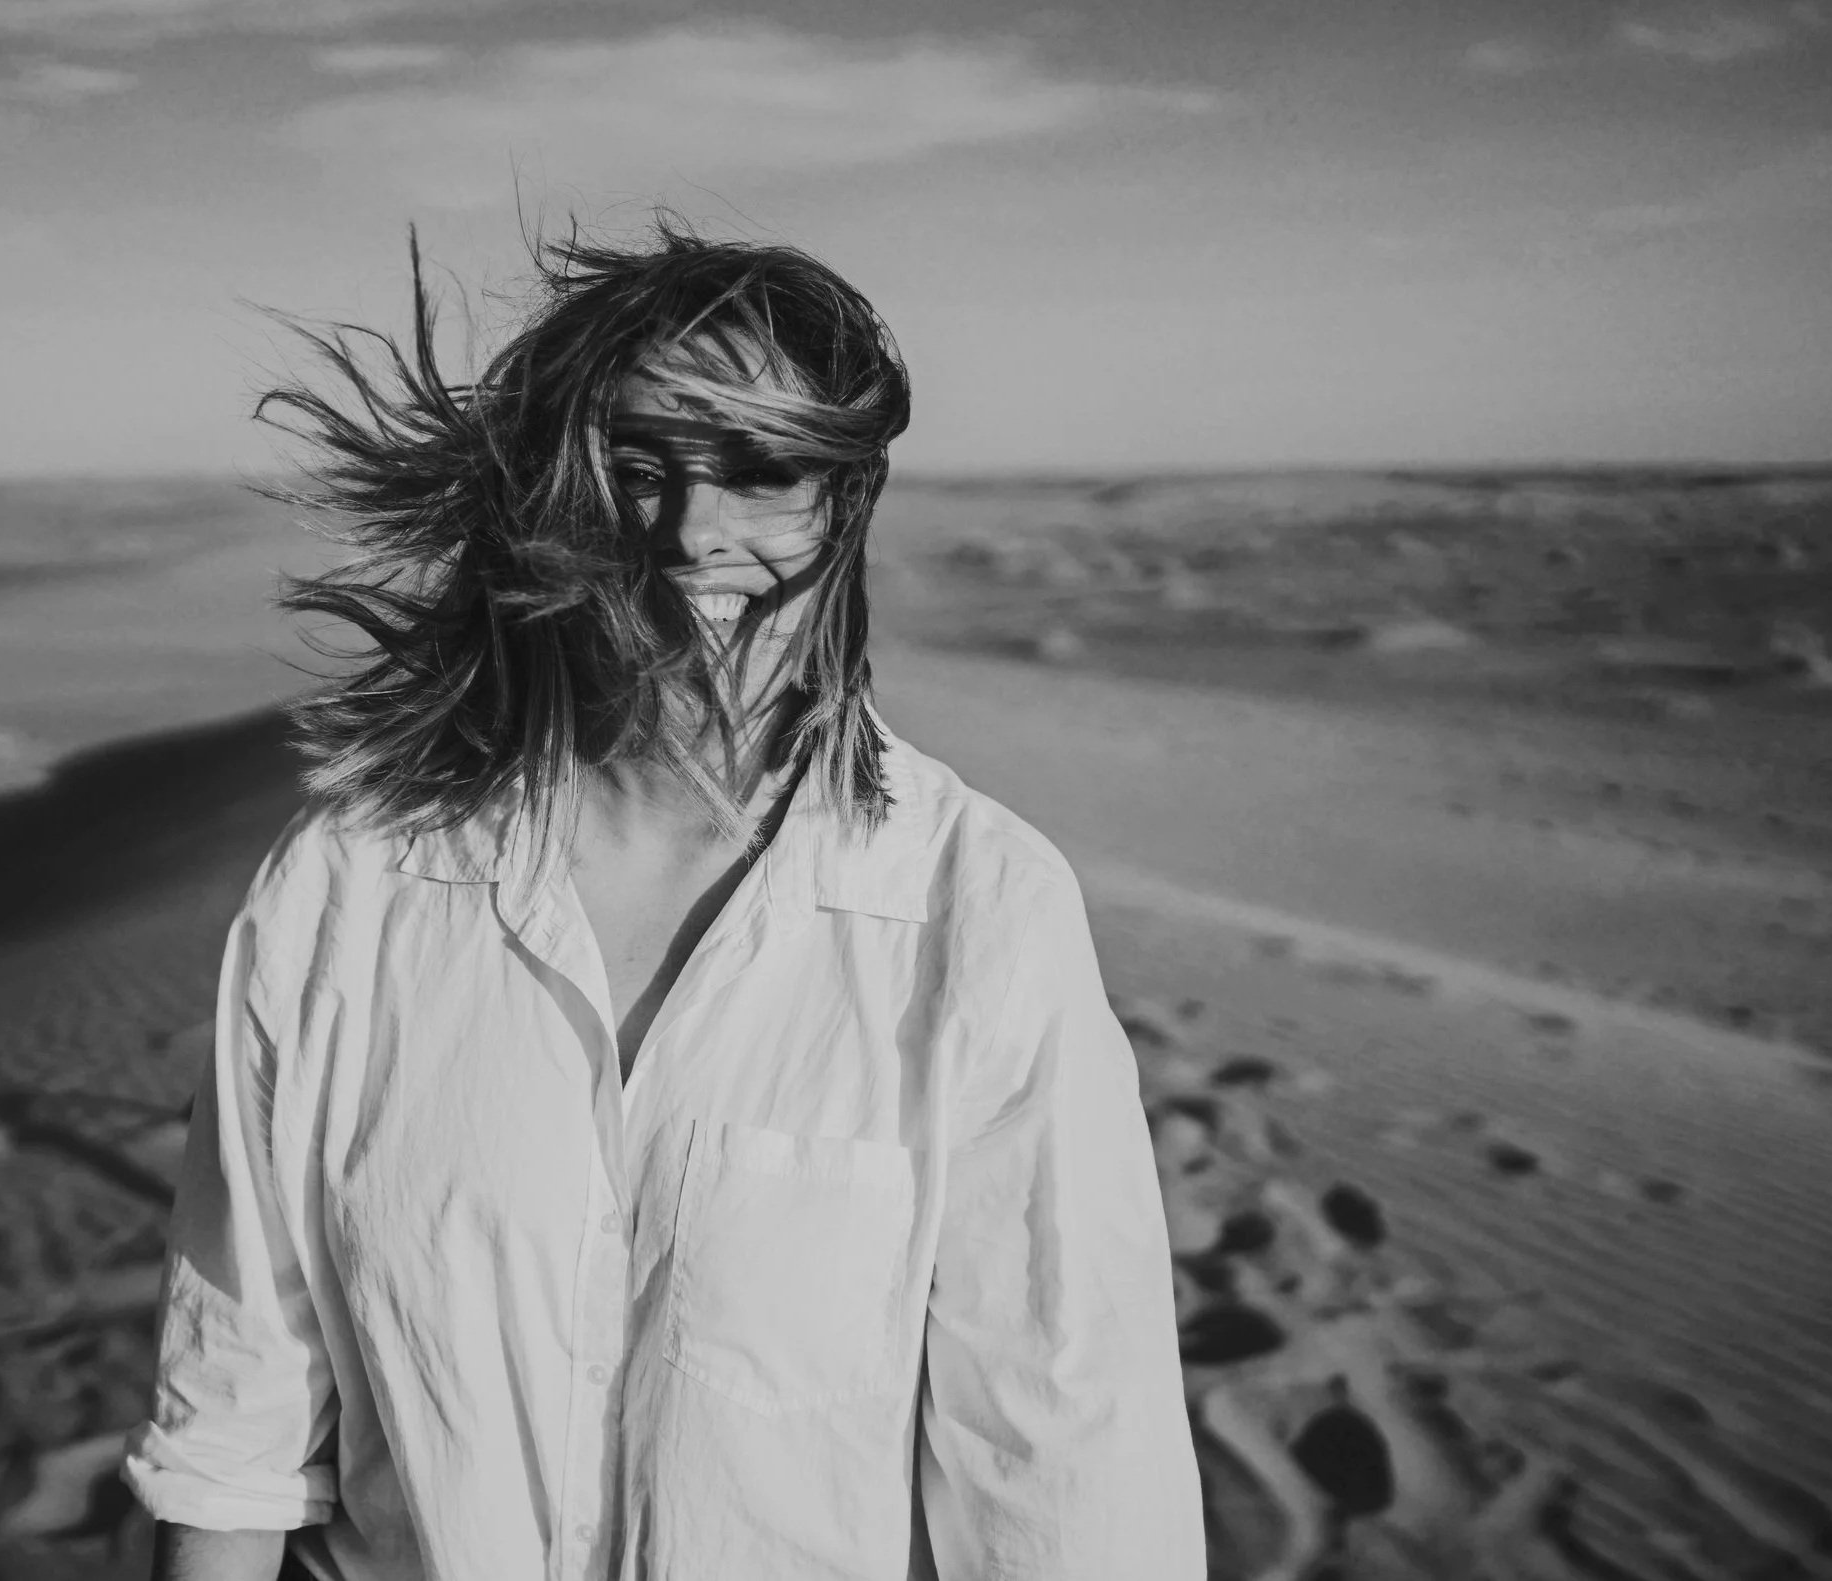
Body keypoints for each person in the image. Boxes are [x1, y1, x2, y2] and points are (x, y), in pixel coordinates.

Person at [122, 222, 1206, 1580]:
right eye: (636, 470)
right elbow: (237, 1421)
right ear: (559, 499)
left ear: (845, 500)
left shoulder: (976, 909)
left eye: (762, 470)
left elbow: (1066, 1475)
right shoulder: (355, 883)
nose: (693, 531)